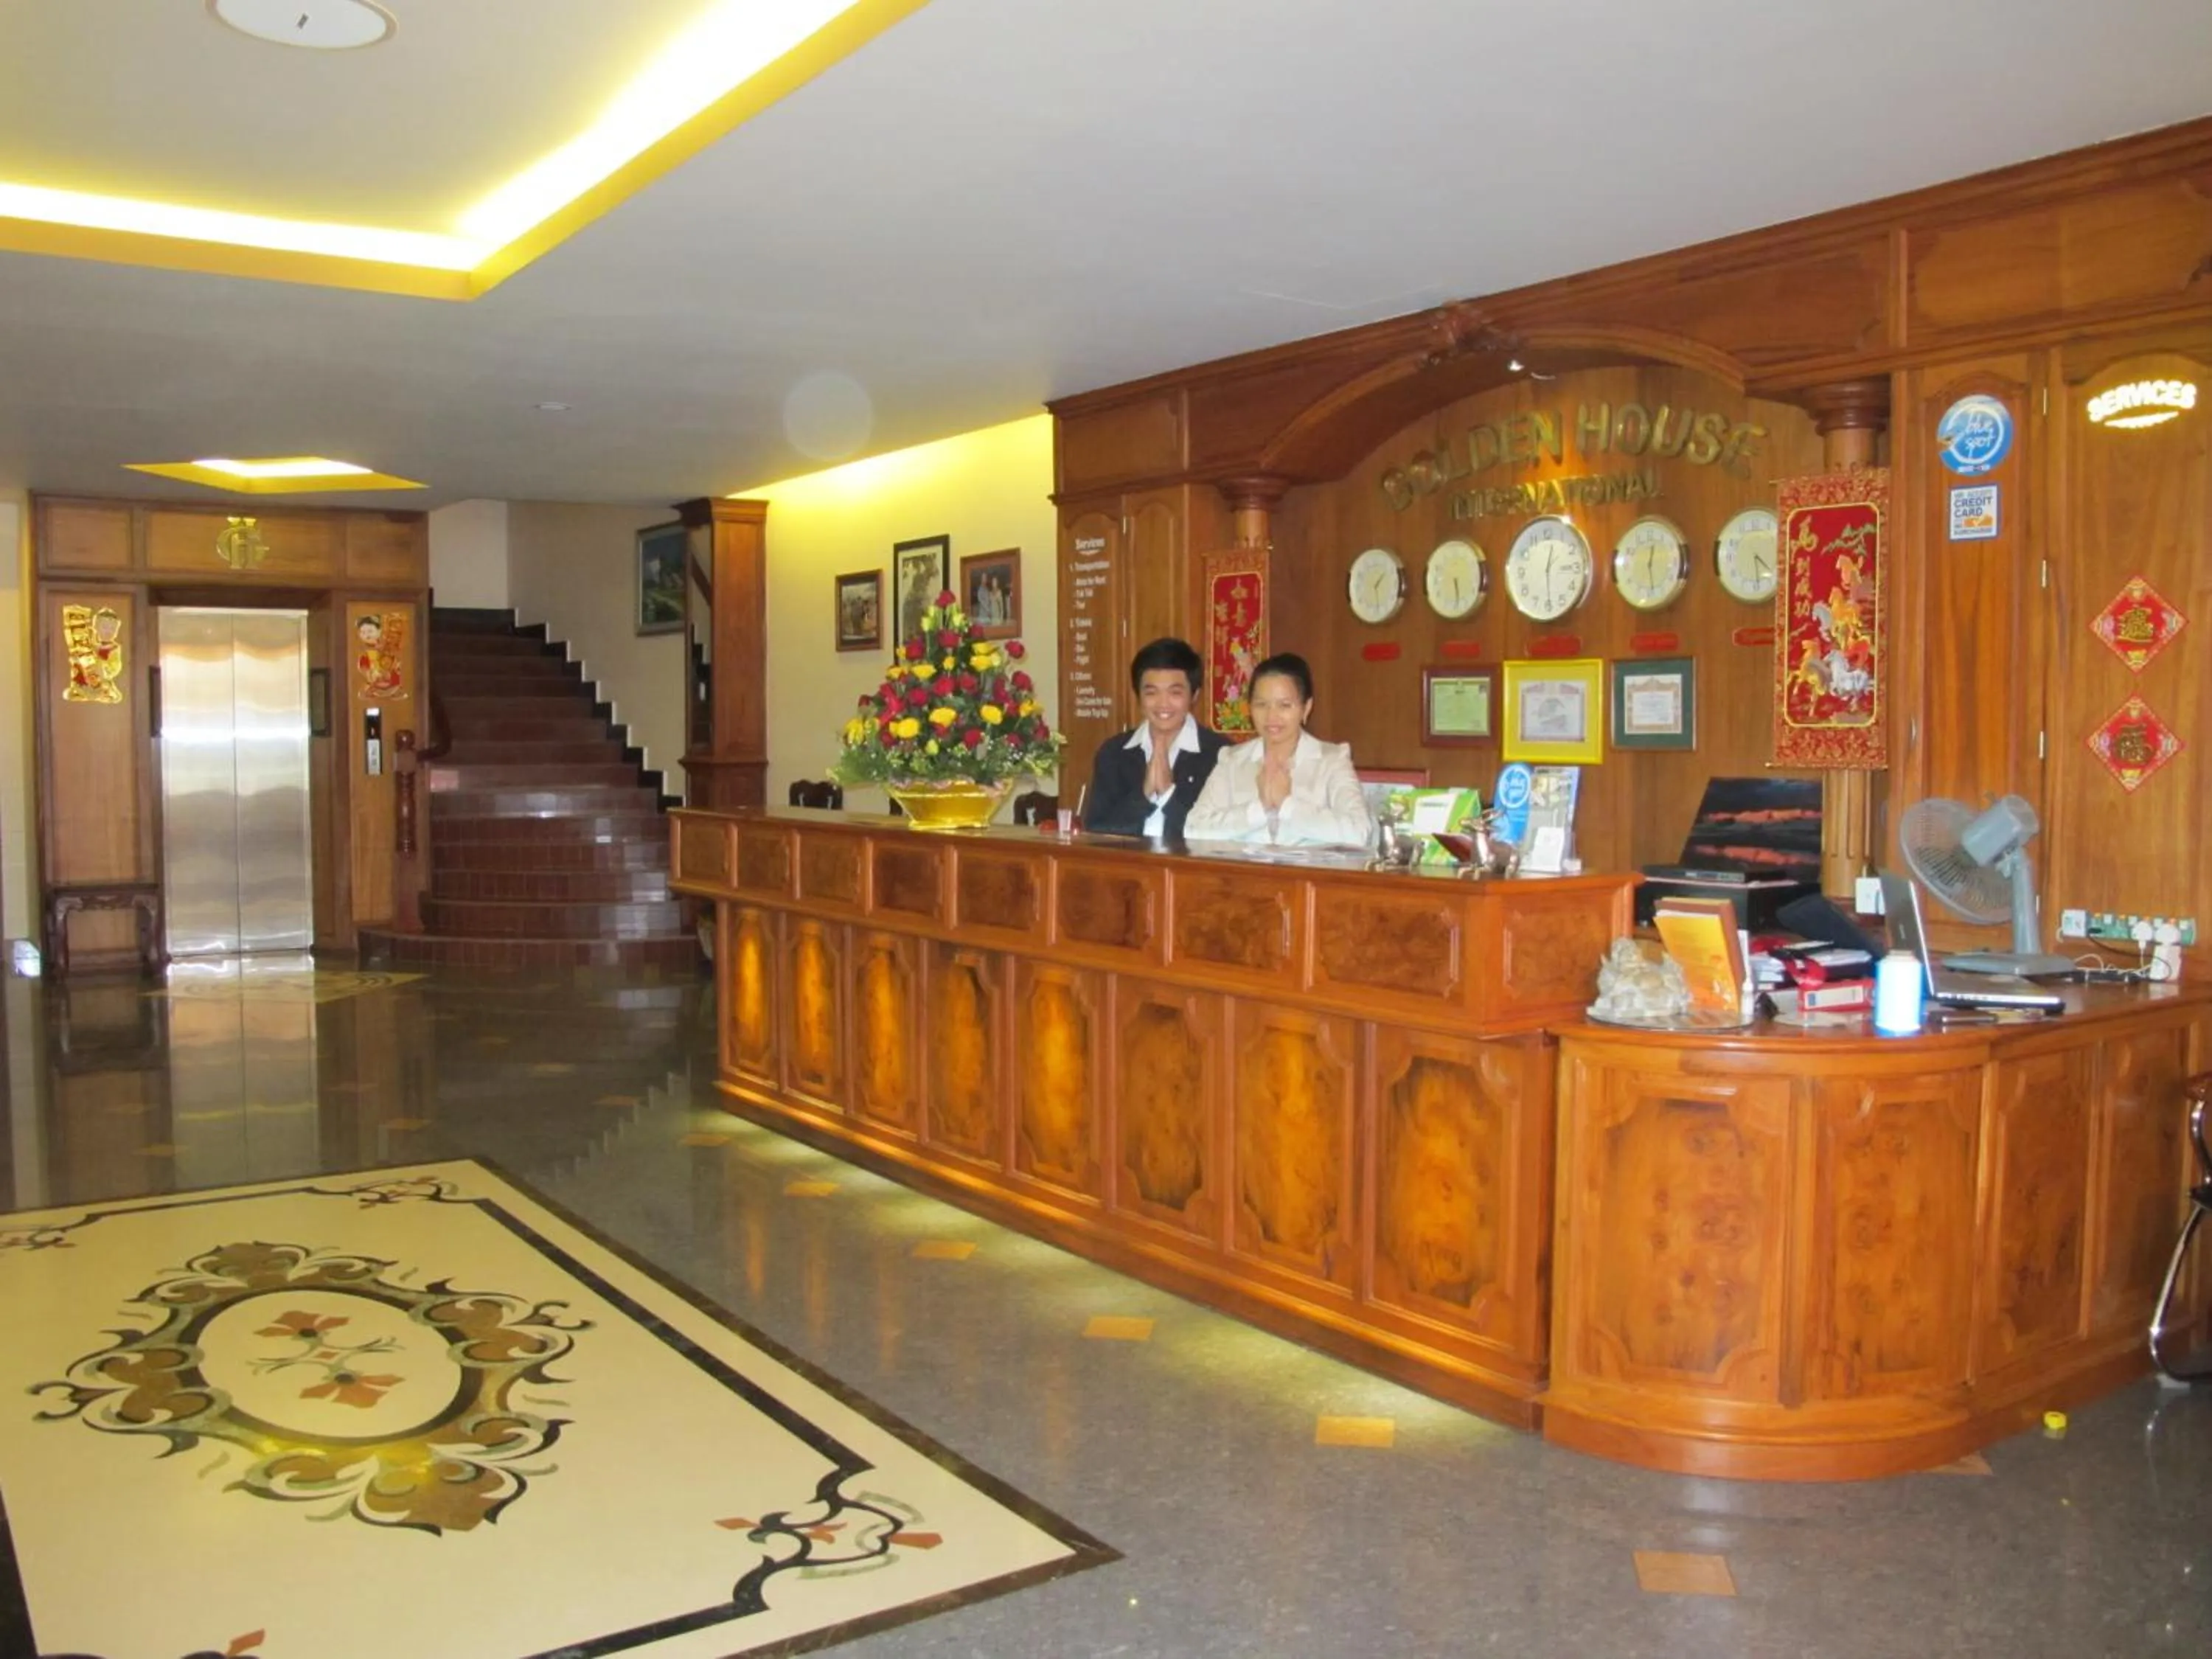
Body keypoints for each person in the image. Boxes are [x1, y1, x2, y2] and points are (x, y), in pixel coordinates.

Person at [1183, 652, 1374, 847]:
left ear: (1306, 708)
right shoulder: (1232, 760)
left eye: (1284, 705)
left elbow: (1359, 832)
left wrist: (1288, 805)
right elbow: (1193, 827)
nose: (1271, 716)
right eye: (1261, 705)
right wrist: (1258, 809)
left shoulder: (1332, 760)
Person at [1084, 637, 1233, 838]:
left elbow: (1221, 836)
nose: (1163, 703)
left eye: (1175, 693)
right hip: (1127, 860)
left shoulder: (1222, 755)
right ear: (1139, 696)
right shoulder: (1114, 753)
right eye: (1151, 693)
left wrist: (1169, 796)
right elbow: (1097, 831)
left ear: (1194, 695)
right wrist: (1143, 796)